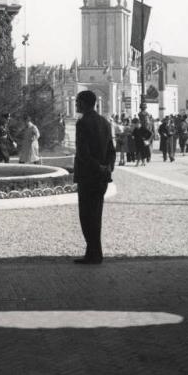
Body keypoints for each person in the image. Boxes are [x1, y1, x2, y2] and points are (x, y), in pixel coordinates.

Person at [73, 90, 116, 264]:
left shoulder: (83, 123)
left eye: (77, 101)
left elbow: (83, 152)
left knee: (86, 216)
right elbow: (112, 150)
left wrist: (97, 167)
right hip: (103, 177)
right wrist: (108, 168)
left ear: (83, 103)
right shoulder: (105, 122)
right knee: (96, 215)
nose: (76, 104)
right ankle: (94, 253)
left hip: (88, 176)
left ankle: (93, 254)